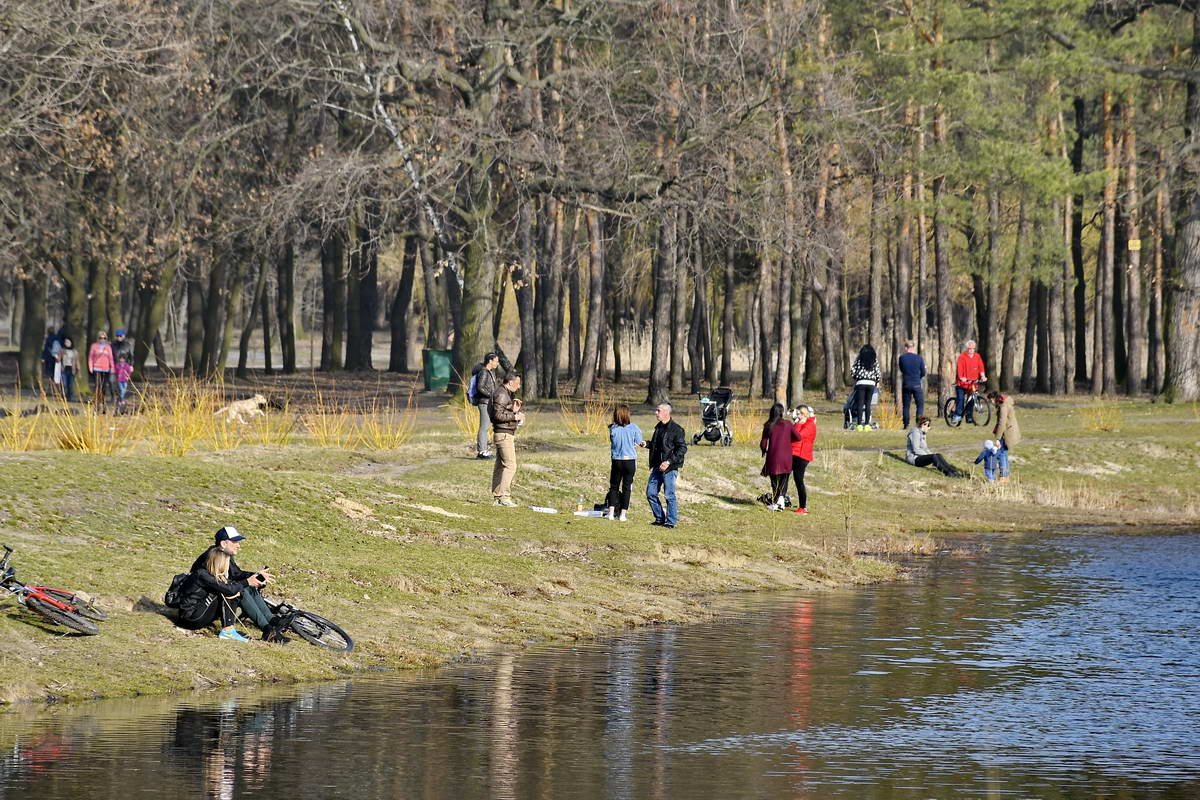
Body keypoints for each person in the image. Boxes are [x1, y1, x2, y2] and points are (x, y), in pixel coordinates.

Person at [177, 526, 290, 643]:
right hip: (192, 616)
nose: (238, 545)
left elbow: (236, 574)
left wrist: (256, 576)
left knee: (243, 587)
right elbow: (229, 586)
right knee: (238, 589)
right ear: (223, 543)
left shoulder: (222, 554)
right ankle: (264, 631)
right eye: (235, 542)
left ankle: (271, 621)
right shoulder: (210, 559)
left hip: (203, 607)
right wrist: (247, 581)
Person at [646, 402, 687, 528]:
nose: (656, 413)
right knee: (651, 493)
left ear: (666, 412)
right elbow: (656, 445)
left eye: (658, 410)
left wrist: (668, 462)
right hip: (657, 466)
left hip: (670, 468)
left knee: (669, 494)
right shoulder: (658, 428)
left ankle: (670, 521)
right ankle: (659, 518)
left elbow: (682, 448)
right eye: (656, 410)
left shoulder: (677, 429)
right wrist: (646, 444)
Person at [490, 372, 526, 507]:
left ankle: (497, 497)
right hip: (504, 434)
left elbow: (502, 412)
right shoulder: (501, 394)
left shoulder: (505, 393)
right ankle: (504, 496)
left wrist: (513, 410)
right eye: (517, 383)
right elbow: (497, 415)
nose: (519, 386)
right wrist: (514, 417)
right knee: (510, 465)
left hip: (504, 433)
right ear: (510, 382)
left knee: (500, 466)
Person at [605, 403, 644, 521]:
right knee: (627, 487)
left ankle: (611, 513)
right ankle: (623, 515)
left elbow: (614, 442)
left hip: (617, 460)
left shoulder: (612, 428)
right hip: (629, 461)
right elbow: (639, 442)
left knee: (614, 487)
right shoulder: (634, 427)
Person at [760, 403, 799, 510]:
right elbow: (798, 437)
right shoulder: (787, 424)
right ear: (781, 412)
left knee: (774, 481)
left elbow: (763, 443)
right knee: (784, 479)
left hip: (773, 456)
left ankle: (777, 502)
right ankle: (780, 500)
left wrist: (764, 451)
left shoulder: (768, 425)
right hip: (786, 457)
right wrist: (787, 439)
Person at [470, 352, 500, 459]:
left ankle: (484, 450)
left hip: (488, 402)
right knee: (484, 427)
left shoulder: (489, 372)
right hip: (484, 402)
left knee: (486, 427)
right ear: (490, 361)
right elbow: (480, 387)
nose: (497, 363)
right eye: (496, 361)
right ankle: (482, 452)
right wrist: (491, 395)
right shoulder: (484, 372)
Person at [988, 391, 1021, 482]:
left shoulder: (1003, 407)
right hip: (1008, 431)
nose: (990, 402)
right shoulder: (1005, 404)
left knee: (1001, 454)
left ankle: (1003, 476)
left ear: (994, 398)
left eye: (990, 400)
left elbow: (1002, 423)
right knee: (1004, 453)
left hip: (1006, 433)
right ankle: (1006, 476)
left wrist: (997, 438)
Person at [791, 405, 817, 515]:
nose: (798, 416)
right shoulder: (799, 423)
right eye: (797, 414)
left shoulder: (810, 424)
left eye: (799, 413)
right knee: (789, 477)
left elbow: (799, 436)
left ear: (805, 413)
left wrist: (796, 424)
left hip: (802, 455)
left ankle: (803, 506)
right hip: (793, 453)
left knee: (799, 480)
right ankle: (781, 500)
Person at [953, 340, 987, 424]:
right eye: (969, 348)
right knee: (960, 399)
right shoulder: (962, 357)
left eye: (973, 348)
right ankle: (957, 415)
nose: (971, 350)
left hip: (973, 383)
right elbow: (959, 369)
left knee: (972, 399)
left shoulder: (977, 356)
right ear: (967, 348)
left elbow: (981, 367)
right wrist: (962, 377)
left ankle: (969, 416)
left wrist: (983, 376)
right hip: (962, 383)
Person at [850, 345, 881, 430]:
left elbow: (853, 371)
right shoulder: (874, 360)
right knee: (868, 404)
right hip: (871, 383)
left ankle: (859, 425)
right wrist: (877, 381)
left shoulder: (859, 360)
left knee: (860, 404)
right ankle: (867, 425)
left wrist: (856, 378)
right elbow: (878, 372)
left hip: (861, 382)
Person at [898, 339, 926, 430]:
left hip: (906, 383)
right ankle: (919, 423)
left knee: (906, 405)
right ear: (913, 347)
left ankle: (906, 424)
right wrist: (918, 377)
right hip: (917, 383)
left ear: (906, 348)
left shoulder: (902, 358)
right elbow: (923, 372)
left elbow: (902, 369)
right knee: (920, 405)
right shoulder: (919, 358)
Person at [87, 330, 115, 412]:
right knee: (97, 386)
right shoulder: (94, 346)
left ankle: (103, 403)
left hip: (106, 369)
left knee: (103, 387)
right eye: (100, 338)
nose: (102, 339)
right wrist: (90, 366)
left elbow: (111, 358)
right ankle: (97, 404)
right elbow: (90, 357)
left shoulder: (108, 347)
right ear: (98, 338)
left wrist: (112, 367)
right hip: (96, 368)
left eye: (104, 338)